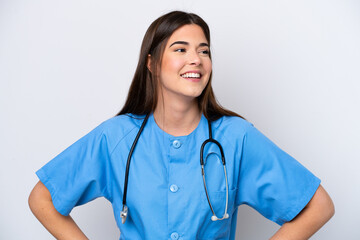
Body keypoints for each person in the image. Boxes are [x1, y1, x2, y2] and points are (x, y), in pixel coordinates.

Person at [28, 11, 334, 240]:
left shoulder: (236, 138)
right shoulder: (116, 137)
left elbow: (319, 206)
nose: (196, 60)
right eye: (181, 49)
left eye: (204, 51)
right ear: (151, 62)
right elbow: (42, 197)